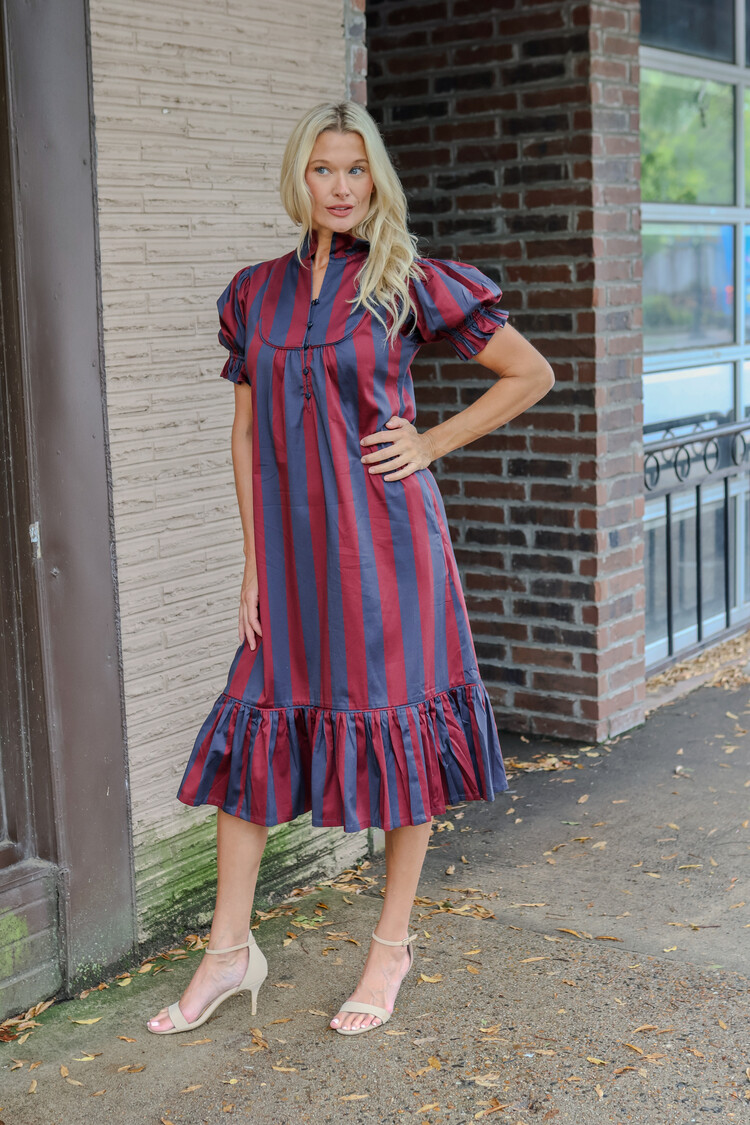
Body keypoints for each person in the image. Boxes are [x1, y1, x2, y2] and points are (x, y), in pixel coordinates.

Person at [147, 100, 554, 1038]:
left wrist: (430, 441)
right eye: (323, 169)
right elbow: (247, 433)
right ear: (300, 177)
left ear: (376, 180)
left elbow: (529, 373)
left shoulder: (407, 280)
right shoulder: (254, 293)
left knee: (400, 732)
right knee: (252, 726)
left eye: (356, 170)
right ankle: (228, 950)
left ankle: (391, 946)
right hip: (291, 560)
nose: (340, 187)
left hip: (388, 549)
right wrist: (253, 564)